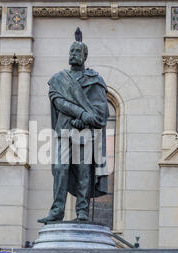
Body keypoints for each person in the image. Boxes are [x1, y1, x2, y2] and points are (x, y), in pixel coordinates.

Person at [38, 28, 109, 224]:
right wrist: (82, 113)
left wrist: (85, 119)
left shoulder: (94, 80)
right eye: (71, 52)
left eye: (77, 52)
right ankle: (57, 210)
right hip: (64, 132)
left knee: (84, 171)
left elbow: (101, 110)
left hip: (85, 133)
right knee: (60, 168)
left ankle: (83, 211)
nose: (73, 55)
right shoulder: (58, 79)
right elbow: (58, 101)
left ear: (85, 56)